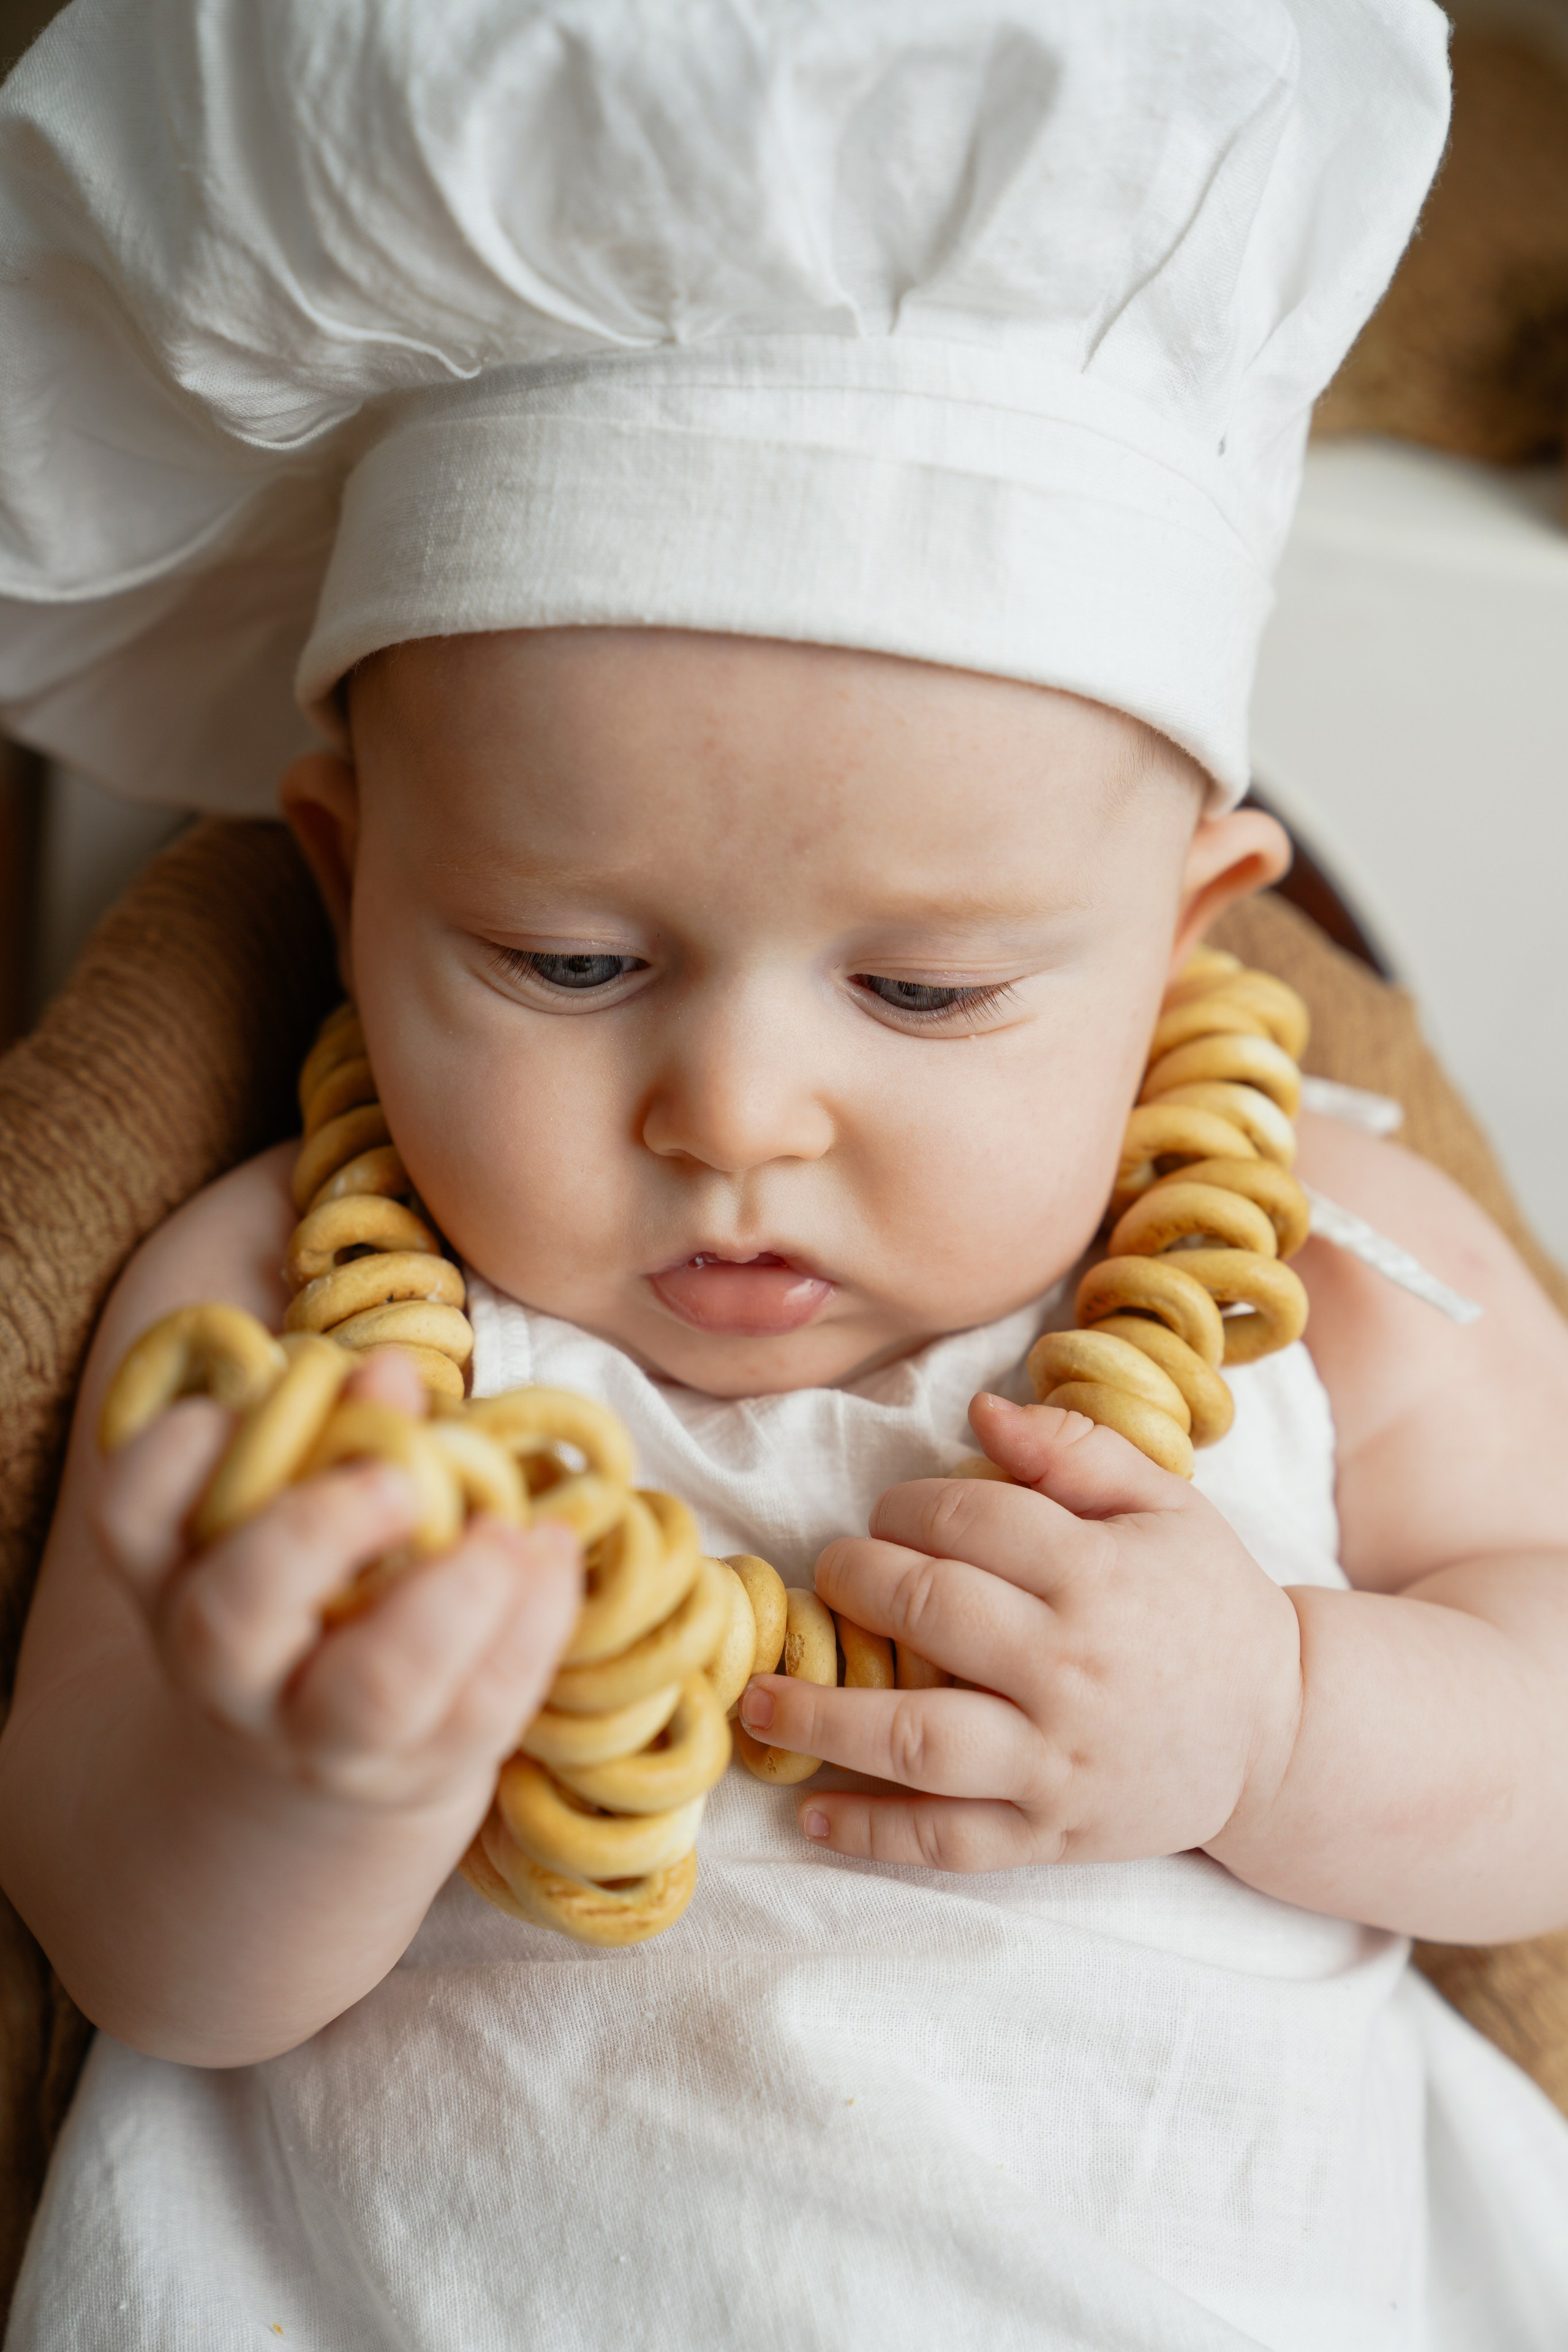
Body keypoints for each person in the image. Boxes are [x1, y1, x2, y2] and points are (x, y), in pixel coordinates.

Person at [3, 1, 1568, 2345]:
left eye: (925, 993)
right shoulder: (296, 1329)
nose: (735, 1115)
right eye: (567, 961)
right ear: (346, 881)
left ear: (1185, 943)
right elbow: (133, 1956)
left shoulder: (1332, 1266)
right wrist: (298, 1779)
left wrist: (1278, 1718)